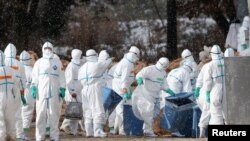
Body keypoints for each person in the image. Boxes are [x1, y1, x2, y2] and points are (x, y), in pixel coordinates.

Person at [31, 42, 66, 141]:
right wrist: (33, 87)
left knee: (54, 115)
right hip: (41, 93)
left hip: (54, 93)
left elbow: (62, 76)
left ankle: (54, 137)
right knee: (41, 115)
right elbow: (34, 77)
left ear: (52, 49)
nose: (47, 50)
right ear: (42, 49)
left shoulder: (57, 62)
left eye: (49, 48)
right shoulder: (39, 62)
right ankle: (39, 137)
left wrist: (62, 88)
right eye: (45, 48)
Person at [132, 57, 175, 137]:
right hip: (146, 94)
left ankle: (146, 128)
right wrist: (140, 79)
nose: (163, 67)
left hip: (155, 96)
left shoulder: (163, 73)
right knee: (149, 113)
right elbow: (140, 74)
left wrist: (168, 90)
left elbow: (163, 83)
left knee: (155, 114)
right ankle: (148, 131)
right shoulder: (149, 69)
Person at [78, 49, 112, 137]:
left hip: (84, 89)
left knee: (88, 110)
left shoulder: (82, 67)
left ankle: (89, 131)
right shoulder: (96, 65)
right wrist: (108, 57)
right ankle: (98, 131)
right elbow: (107, 63)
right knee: (97, 109)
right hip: (94, 88)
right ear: (95, 55)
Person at [112, 46, 140, 135]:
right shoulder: (127, 64)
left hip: (120, 85)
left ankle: (116, 128)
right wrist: (125, 90)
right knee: (121, 108)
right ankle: (122, 130)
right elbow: (124, 79)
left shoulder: (127, 61)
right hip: (120, 86)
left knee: (119, 108)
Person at [4, 43, 27, 140]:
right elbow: (23, 80)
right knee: (17, 114)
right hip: (16, 90)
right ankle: (19, 136)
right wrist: (22, 94)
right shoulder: (19, 64)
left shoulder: (3, 62)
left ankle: (4, 135)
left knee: (3, 113)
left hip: (4, 91)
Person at [60, 49, 83, 136]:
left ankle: (74, 131)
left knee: (77, 110)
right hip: (72, 92)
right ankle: (65, 126)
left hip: (78, 90)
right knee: (73, 109)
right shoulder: (71, 66)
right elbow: (68, 80)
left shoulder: (78, 65)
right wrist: (72, 91)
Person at [0, 50, 20, 141]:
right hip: (10, 96)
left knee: (1, 120)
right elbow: (16, 86)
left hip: (0, 96)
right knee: (11, 118)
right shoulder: (11, 70)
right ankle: (12, 137)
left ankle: (1, 138)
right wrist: (16, 97)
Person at [203, 45, 225, 125]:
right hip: (227, 90)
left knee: (216, 114)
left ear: (212, 54)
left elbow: (207, 81)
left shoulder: (210, 65)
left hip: (216, 90)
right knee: (228, 114)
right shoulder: (226, 62)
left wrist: (207, 92)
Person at [20, 50, 34, 140]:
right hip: (28, 92)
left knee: (19, 113)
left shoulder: (17, 68)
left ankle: (17, 133)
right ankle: (23, 134)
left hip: (18, 92)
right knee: (27, 113)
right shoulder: (31, 69)